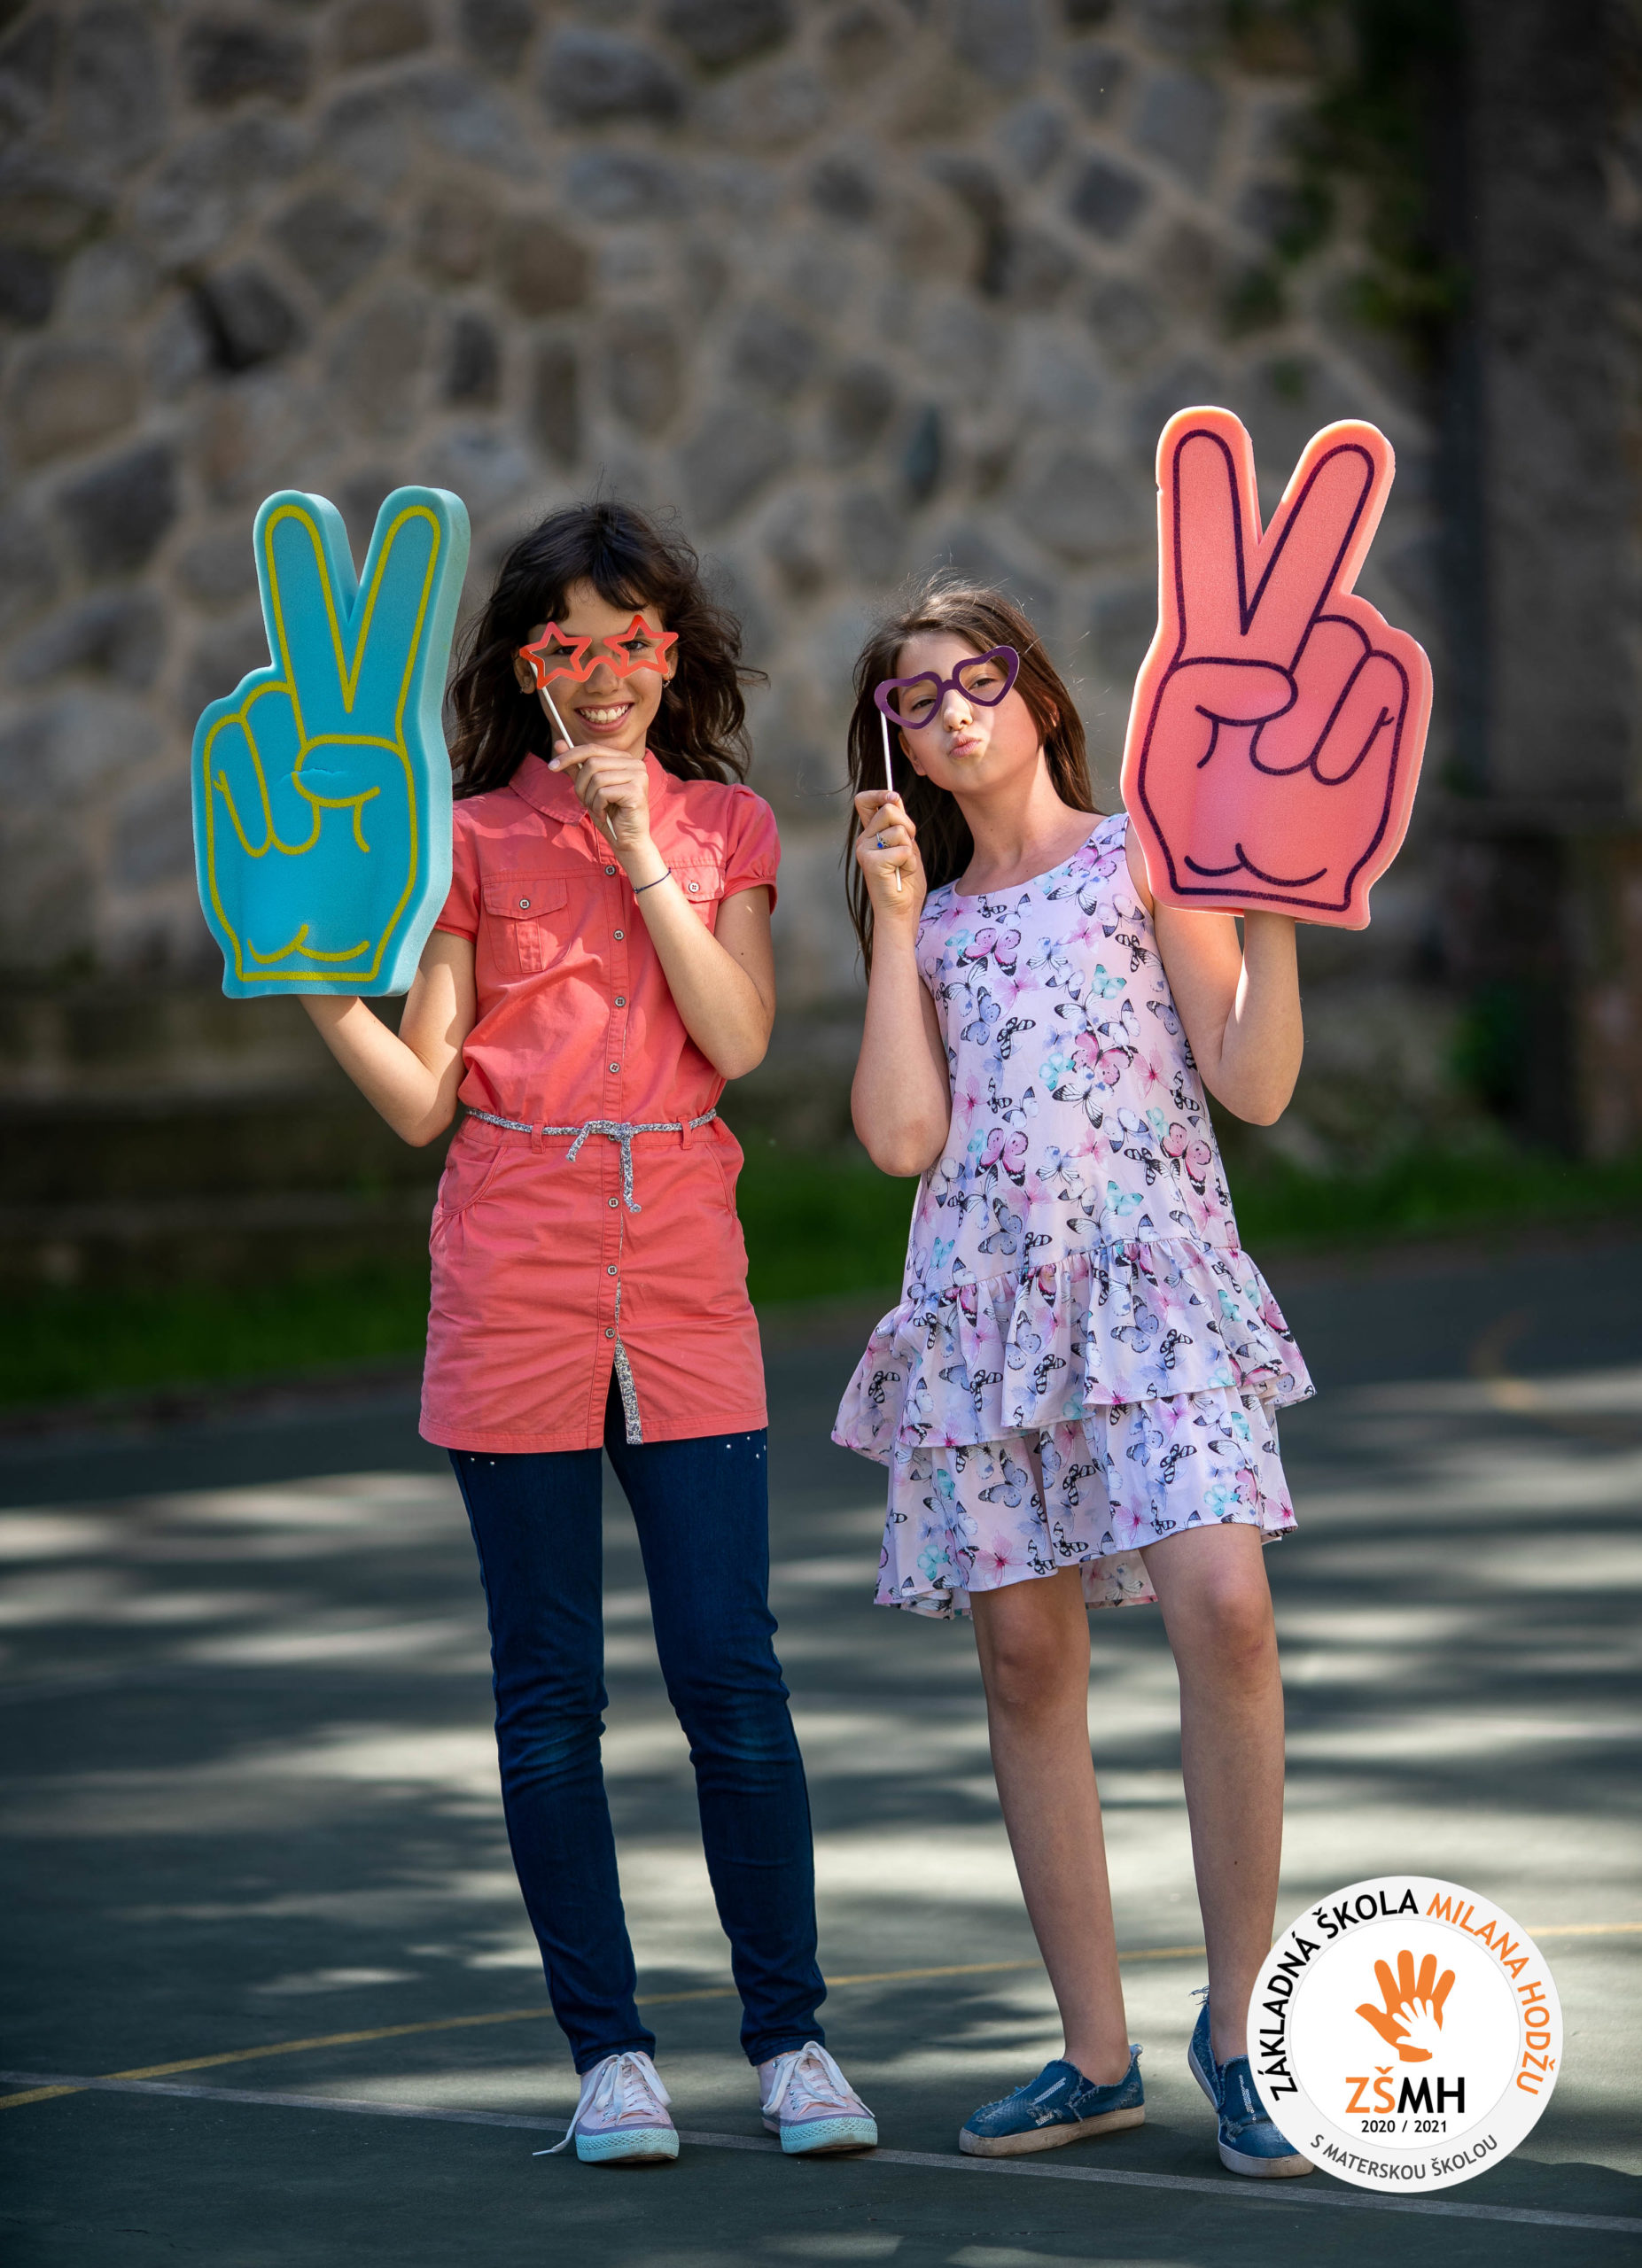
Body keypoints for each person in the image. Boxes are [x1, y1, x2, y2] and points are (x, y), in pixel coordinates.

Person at [300, 501, 875, 2167]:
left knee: (729, 1671)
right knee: (548, 1692)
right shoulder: (468, 838)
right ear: (524, 664)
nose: (605, 672)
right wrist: (312, 987)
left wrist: (637, 846)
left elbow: (738, 1035)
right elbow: (423, 1097)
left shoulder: (729, 824)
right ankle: (609, 2058)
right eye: (570, 644)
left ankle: (790, 2042)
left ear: (672, 654)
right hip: (512, 1269)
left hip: (683, 1269)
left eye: (634, 640)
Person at [835, 578, 1314, 2179]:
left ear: (1037, 694)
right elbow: (900, 1137)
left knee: (1224, 1612)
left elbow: (1250, 1080)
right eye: (915, 700)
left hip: (1154, 1288)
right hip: (981, 1317)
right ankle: (1093, 2055)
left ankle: (1240, 2034)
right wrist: (893, 923)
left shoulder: (1143, 855)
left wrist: (1273, 910)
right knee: (1027, 1666)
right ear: (895, 750)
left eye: (977, 678)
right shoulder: (931, 920)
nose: (952, 710)